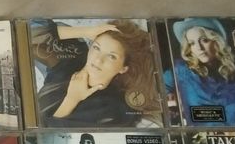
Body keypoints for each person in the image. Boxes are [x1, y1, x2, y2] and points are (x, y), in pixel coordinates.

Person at [32, 19, 160, 127]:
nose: (98, 59)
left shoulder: (111, 110)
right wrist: (85, 32)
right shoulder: (75, 58)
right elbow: (28, 33)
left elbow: (47, 136)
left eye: (111, 56)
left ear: (123, 68)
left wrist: (72, 99)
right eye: (96, 47)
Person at [165, 18, 235, 126]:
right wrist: (173, 110)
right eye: (192, 43)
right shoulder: (181, 72)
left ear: (217, 41)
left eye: (204, 40)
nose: (199, 48)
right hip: (201, 135)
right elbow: (156, 92)